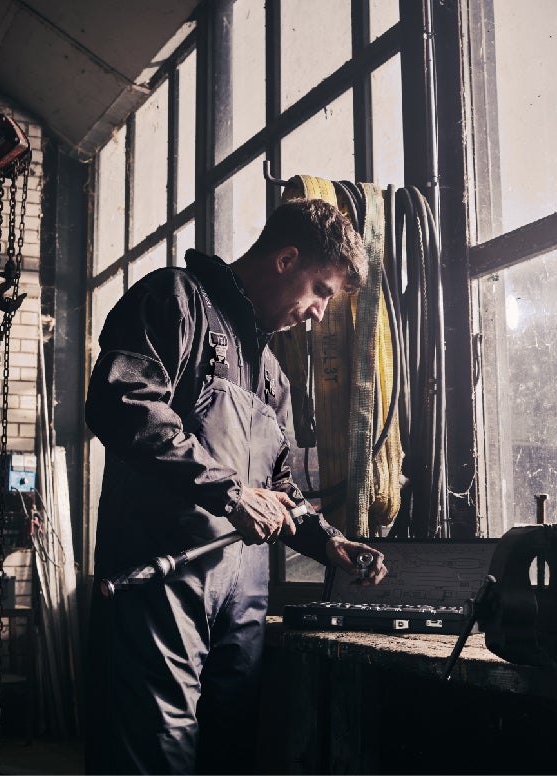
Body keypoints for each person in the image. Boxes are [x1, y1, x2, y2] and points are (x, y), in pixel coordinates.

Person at [84, 198, 388, 774]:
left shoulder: (272, 374)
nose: (319, 313)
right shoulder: (177, 301)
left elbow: (279, 487)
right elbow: (121, 400)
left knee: (230, 753)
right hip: (164, 582)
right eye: (320, 291)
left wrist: (327, 542)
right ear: (286, 259)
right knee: (157, 753)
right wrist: (229, 493)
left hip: (242, 595)